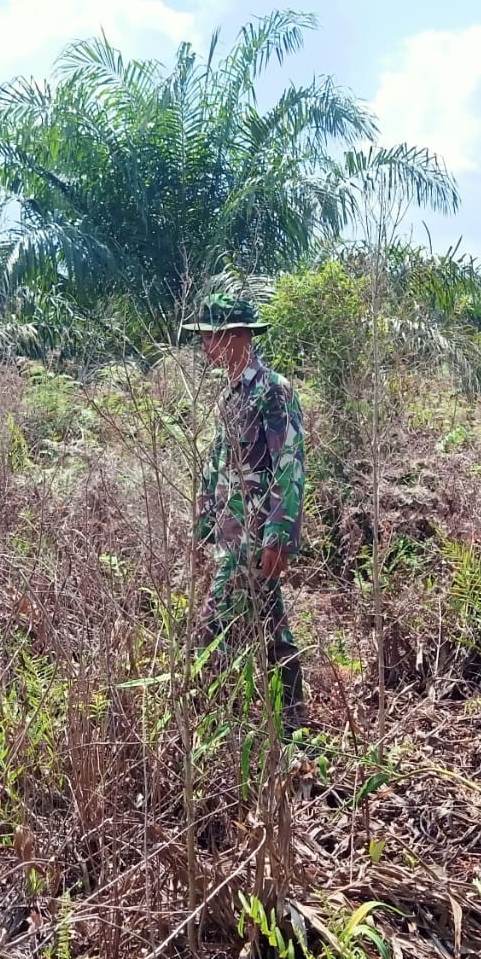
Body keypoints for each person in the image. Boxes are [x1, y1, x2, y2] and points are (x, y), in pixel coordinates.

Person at [184, 293, 307, 735]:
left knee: (211, 631)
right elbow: (216, 467)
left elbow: (289, 463)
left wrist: (279, 536)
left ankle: (207, 727)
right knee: (271, 629)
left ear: (236, 337)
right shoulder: (228, 397)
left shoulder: (273, 391)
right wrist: (203, 528)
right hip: (231, 536)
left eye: (210, 337)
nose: (204, 347)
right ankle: (292, 724)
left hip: (256, 537)